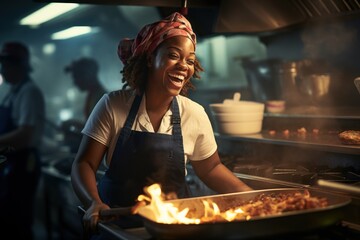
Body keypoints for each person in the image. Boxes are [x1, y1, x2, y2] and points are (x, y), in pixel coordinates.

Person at [71, 12, 252, 237]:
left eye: (190, 60)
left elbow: (211, 168)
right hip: (118, 225)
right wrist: (93, 202)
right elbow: (85, 163)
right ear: (150, 58)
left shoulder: (193, 113)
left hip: (174, 226)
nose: (183, 66)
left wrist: (249, 196)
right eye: (174, 55)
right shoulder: (113, 105)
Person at [0, 41, 45, 240]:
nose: (2, 68)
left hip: (23, 162)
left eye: (6, 64)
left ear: (19, 65)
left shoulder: (29, 92)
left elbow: (25, 134)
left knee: (19, 217)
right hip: (10, 160)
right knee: (8, 217)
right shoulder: (13, 93)